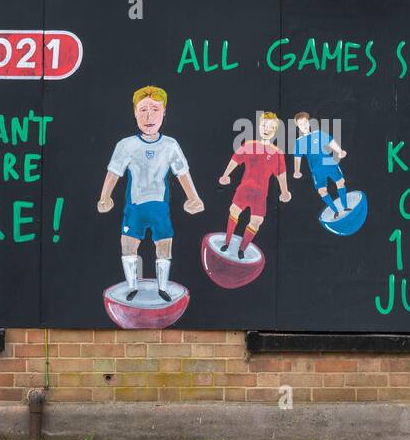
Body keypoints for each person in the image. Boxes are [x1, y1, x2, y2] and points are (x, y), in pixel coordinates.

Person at [97, 86, 203, 302]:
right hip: (134, 206)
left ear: (164, 112)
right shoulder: (126, 145)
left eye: (154, 109)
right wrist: (104, 197)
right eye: (143, 109)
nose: (148, 116)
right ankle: (131, 287)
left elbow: (182, 173)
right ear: (135, 112)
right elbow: (113, 173)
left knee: (164, 245)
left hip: (159, 206)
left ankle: (162, 287)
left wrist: (193, 197)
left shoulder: (170, 145)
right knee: (128, 244)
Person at [218, 111, 290, 258]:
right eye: (264, 125)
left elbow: (281, 174)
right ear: (259, 126)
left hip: (261, 194)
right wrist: (225, 175)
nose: (267, 129)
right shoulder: (249, 145)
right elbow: (235, 160)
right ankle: (226, 242)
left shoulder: (277, 153)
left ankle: (241, 250)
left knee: (257, 221)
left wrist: (285, 191)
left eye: (271, 127)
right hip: (244, 189)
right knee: (234, 210)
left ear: (275, 131)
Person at [291, 111, 349, 216]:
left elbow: (331, 142)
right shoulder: (299, 142)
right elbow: (297, 158)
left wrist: (340, 151)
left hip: (330, 163)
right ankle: (336, 211)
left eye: (305, 123)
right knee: (322, 191)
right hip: (316, 170)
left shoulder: (318, 133)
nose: (303, 126)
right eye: (300, 124)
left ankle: (345, 207)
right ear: (298, 127)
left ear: (308, 122)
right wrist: (296, 171)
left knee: (340, 182)